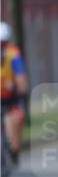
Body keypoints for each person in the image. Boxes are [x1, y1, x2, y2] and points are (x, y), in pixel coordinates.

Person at [0, 23, 27, 166]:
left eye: (3, 44)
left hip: (10, 97)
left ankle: (14, 151)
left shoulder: (14, 56)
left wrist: (22, 89)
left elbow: (21, 78)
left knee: (17, 119)